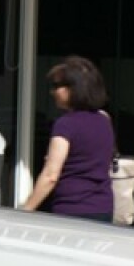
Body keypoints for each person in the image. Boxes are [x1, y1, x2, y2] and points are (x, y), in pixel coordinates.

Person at [21, 56, 115, 222]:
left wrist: (26, 209)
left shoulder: (65, 125)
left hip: (72, 210)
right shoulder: (104, 119)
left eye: (56, 86)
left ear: (74, 88)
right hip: (103, 208)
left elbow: (51, 175)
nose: (52, 92)